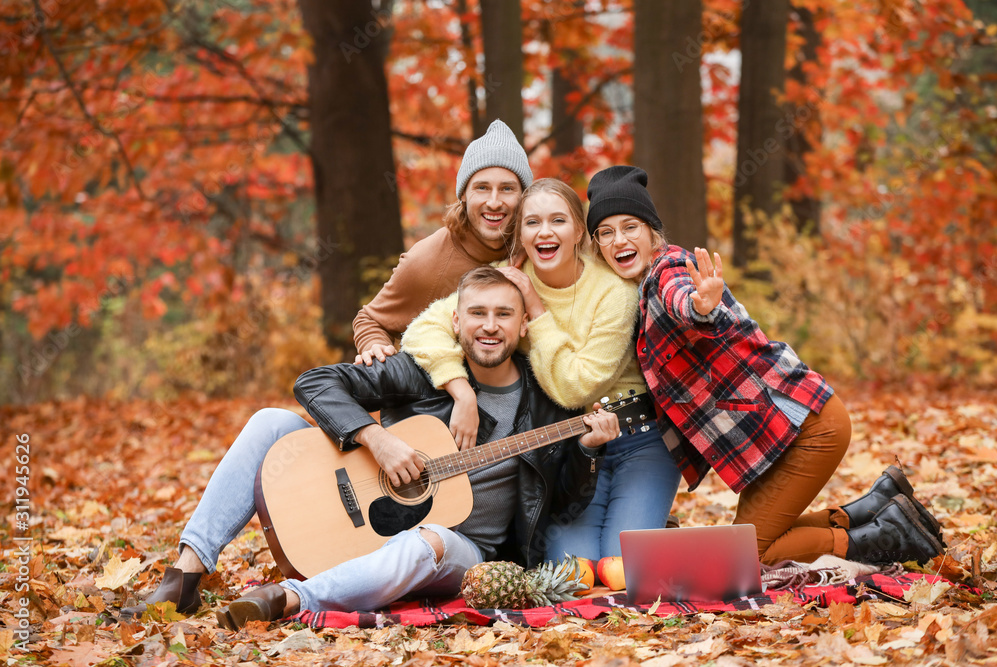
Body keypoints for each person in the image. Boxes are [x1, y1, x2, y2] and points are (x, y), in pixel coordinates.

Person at [120, 268, 618, 628]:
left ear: (523, 326)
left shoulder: (550, 402)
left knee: (428, 542)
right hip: (377, 513)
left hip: (465, 549)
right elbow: (314, 382)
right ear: (456, 322)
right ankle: (186, 574)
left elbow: (567, 503)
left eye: (504, 315)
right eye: (478, 314)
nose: (490, 326)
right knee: (270, 421)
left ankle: (291, 598)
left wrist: (589, 450)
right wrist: (377, 440)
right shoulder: (423, 371)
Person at [585, 165, 946, 565]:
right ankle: (870, 511)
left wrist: (700, 307)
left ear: (653, 232)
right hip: (782, 434)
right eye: (606, 231)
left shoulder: (668, 271)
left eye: (630, 226)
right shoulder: (634, 292)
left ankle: (888, 536)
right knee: (753, 538)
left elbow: (681, 299)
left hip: (808, 429)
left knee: (747, 554)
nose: (619, 239)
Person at [400, 178, 682, 562]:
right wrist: (460, 389)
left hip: (637, 437)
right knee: (572, 571)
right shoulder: (508, 279)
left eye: (558, 221)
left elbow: (575, 388)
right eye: (532, 222)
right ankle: (637, 525)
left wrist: (535, 307)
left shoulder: (613, 290)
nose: (545, 232)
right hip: (572, 453)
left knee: (625, 567)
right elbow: (423, 329)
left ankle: (642, 517)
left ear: (579, 230)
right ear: (520, 233)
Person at [353, 119, 532, 364]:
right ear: (464, 195)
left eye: (507, 189)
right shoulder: (428, 262)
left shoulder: (538, 247)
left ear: (523, 197)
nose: (493, 201)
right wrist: (376, 348)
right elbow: (371, 320)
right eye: (481, 187)